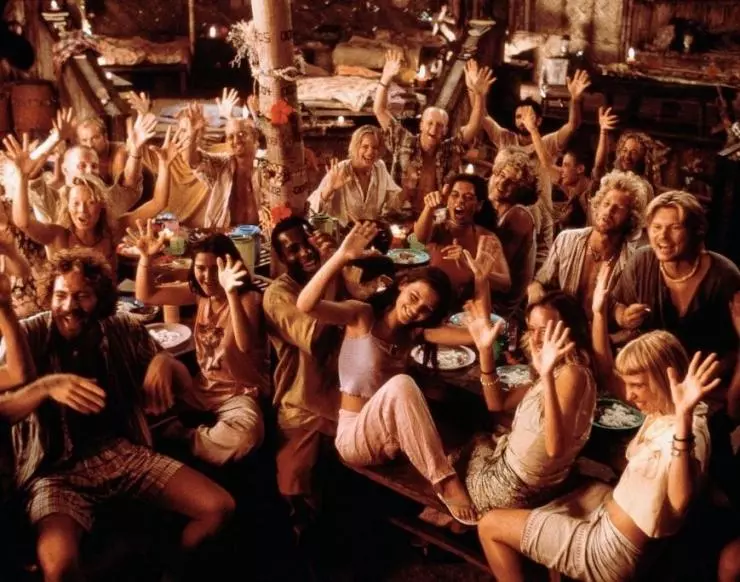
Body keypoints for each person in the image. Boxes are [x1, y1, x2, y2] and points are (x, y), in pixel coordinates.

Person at [0, 247, 235, 581]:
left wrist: (164, 361)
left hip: (120, 453)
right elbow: (5, 411)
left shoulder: (121, 327)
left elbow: (187, 387)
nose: (69, 306)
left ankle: (172, 572)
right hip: (53, 472)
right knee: (59, 569)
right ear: (48, 295)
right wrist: (46, 387)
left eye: (82, 296)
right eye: (61, 295)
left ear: (100, 298)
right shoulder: (27, 335)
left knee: (218, 508)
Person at [475, 264, 718, 582]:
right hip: (610, 515)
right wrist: (599, 312)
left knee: (489, 524)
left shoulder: (686, 427)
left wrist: (683, 424)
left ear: (664, 379)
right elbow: (606, 371)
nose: (629, 395)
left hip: (609, 549)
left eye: (637, 385)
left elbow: (679, 502)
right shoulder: (665, 409)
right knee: (572, 492)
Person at [296, 221, 491, 525]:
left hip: (390, 437)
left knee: (467, 428)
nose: (415, 310)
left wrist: (481, 280)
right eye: (414, 298)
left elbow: (479, 333)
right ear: (402, 285)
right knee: (403, 384)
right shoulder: (363, 317)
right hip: (354, 437)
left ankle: (443, 513)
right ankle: (444, 482)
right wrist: (341, 256)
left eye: (425, 309)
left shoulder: (414, 334)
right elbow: (306, 305)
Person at [131, 225, 267, 465]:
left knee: (244, 438)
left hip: (239, 393)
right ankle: (191, 438)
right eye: (201, 268)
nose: (208, 276)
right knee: (138, 413)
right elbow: (146, 295)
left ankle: (184, 438)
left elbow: (245, 345)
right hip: (201, 388)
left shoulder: (249, 298)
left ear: (231, 266)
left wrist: (231, 293)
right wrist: (145, 258)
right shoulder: (200, 294)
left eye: (216, 268)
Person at [461, 290, 597, 514]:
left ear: (570, 330)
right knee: (483, 436)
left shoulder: (572, 374)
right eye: (532, 330)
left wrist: (546, 374)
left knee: (470, 442)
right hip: (533, 485)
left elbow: (555, 449)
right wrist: (485, 351)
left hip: (512, 491)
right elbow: (497, 404)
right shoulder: (562, 369)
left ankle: (460, 514)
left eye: (544, 331)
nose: (535, 339)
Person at [612, 191, 740, 405]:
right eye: (656, 227)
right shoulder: (641, 262)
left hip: (703, 389)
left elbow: (734, 348)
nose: (663, 236)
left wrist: (701, 377)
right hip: (650, 382)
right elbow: (616, 305)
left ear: (696, 231)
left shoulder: (725, 276)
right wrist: (624, 317)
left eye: (675, 227)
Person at [7, 127, 184, 269]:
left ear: (102, 206)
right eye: (76, 204)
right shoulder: (58, 236)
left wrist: (165, 165)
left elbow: (158, 202)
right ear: (67, 205)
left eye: (91, 203)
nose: (82, 210)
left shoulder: (113, 230)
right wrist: (22, 176)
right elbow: (23, 222)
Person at [263, 216, 341, 517]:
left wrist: (340, 259)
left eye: (308, 243)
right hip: (303, 401)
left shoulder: (335, 267)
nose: (306, 252)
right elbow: (318, 342)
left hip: (347, 396)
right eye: (293, 249)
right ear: (282, 259)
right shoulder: (279, 294)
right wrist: (332, 269)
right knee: (293, 485)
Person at [374, 51, 493, 212]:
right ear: (421, 125)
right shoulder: (403, 141)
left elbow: (475, 125)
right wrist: (386, 78)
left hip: (437, 216)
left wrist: (478, 94)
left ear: (445, 130)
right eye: (429, 123)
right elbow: (380, 110)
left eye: (439, 125)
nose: (433, 129)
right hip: (401, 214)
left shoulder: (449, 149)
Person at [528, 170, 649, 319]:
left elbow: (621, 310)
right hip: (563, 327)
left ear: (631, 217)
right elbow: (540, 282)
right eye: (606, 203)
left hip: (604, 332)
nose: (609, 211)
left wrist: (625, 318)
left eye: (619, 209)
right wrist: (535, 291)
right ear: (598, 205)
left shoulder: (631, 260)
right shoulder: (566, 240)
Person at [413, 172, 510, 303]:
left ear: (479, 205)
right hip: (428, 302)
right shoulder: (436, 228)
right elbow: (418, 240)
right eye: (454, 195)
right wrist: (429, 207)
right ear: (447, 200)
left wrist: (473, 268)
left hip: (465, 308)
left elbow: (505, 284)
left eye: (468, 197)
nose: (460, 200)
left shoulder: (486, 237)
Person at [184, 102, 263, 227]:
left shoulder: (266, 166)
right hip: (224, 233)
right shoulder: (221, 164)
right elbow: (193, 162)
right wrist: (193, 134)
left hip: (262, 233)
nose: (236, 141)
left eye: (242, 134)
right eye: (231, 137)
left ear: (254, 136)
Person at [483, 148, 539, 318]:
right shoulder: (493, 210)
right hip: (489, 295)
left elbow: (497, 268)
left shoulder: (519, 216)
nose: (501, 184)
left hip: (502, 310)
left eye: (511, 182)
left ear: (521, 189)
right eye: (501, 175)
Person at [309, 125, 402, 226]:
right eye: (365, 147)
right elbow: (312, 212)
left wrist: (408, 188)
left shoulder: (380, 167)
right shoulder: (340, 170)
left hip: (371, 232)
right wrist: (329, 189)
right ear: (355, 147)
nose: (370, 152)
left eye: (375, 147)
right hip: (343, 234)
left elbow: (393, 201)